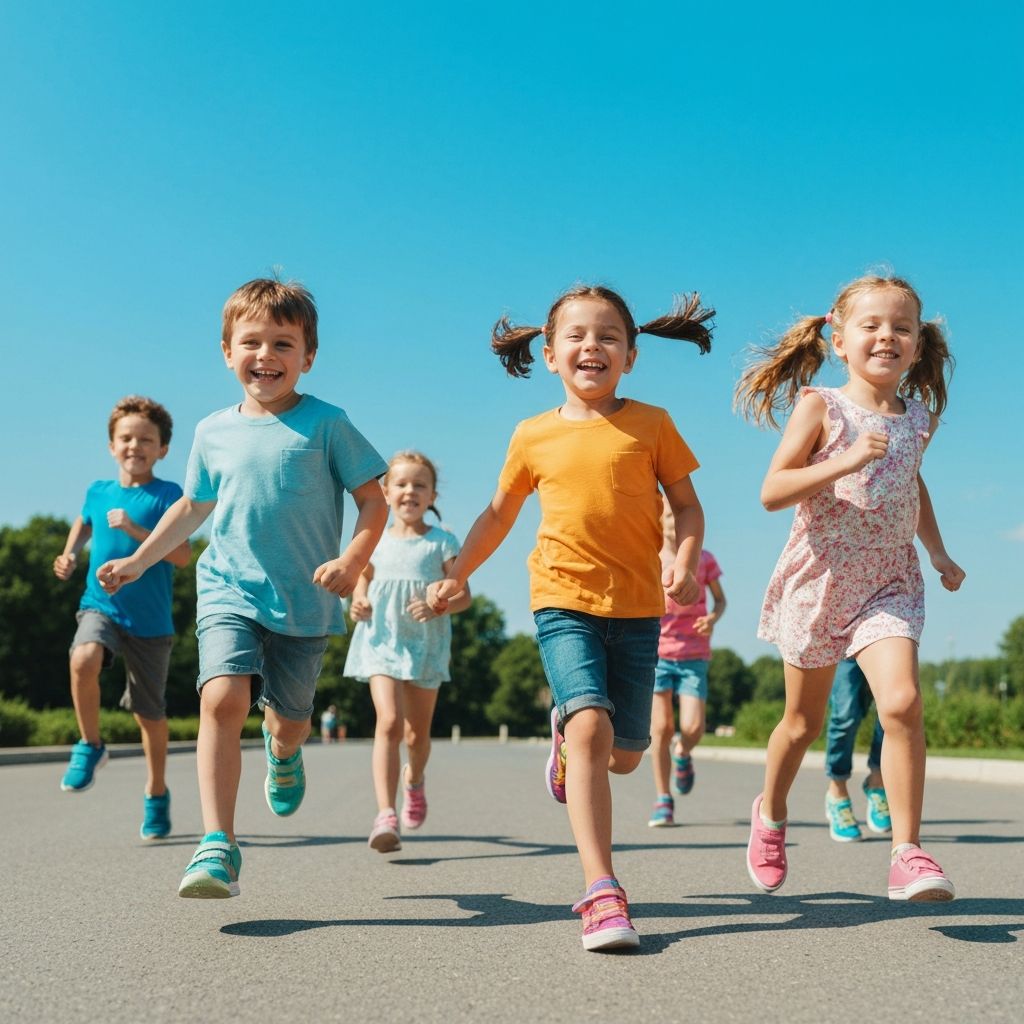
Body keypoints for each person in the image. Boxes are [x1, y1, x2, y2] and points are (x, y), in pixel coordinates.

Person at [428, 284, 713, 951]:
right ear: (550, 353)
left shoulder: (653, 424)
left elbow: (689, 507)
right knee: (592, 726)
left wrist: (688, 558)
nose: (593, 346)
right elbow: (499, 514)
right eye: (577, 336)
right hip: (562, 601)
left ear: (632, 356)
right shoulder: (533, 434)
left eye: (609, 335)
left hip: (641, 610)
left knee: (626, 755)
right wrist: (458, 572)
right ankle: (602, 890)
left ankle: (571, 734)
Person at [96, 277, 389, 899]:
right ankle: (217, 845)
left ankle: (282, 752)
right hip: (227, 586)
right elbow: (191, 509)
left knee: (290, 721)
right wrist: (140, 562)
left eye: (283, 343)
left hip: (306, 599)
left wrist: (352, 560)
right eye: (251, 342)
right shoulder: (211, 432)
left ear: (308, 356)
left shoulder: (329, 424)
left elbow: (372, 499)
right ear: (227, 351)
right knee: (221, 698)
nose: (266, 356)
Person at [734, 272, 965, 902]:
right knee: (802, 723)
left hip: (889, 583)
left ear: (919, 344)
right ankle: (772, 812)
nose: (887, 336)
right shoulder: (821, 406)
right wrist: (846, 459)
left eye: (902, 327)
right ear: (839, 338)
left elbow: (911, 485)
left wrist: (937, 551)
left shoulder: (921, 419)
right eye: (871, 325)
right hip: (820, 582)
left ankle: (907, 852)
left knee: (901, 703)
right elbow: (772, 492)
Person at [52, 396, 191, 840]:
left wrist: (134, 531)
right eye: (126, 438)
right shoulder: (98, 491)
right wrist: (70, 553)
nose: (135, 445)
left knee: (150, 716)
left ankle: (155, 792)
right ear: (112, 446)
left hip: (150, 621)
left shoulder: (169, 496)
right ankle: (90, 745)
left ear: (163, 449)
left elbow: (185, 555)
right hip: (101, 604)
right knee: (83, 657)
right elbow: (85, 522)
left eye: (146, 439)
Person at [344, 451, 471, 852]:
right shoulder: (373, 538)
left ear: (432, 493)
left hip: (426, 644)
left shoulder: (443, 541)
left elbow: (464, 594)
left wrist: (441, 603)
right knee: (390, 722)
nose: (409, 491)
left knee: (417, 735)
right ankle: (386, 813)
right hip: (380, 640)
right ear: (385, 491)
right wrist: (358, 600)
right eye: (401, 484)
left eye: (419, 485)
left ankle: (413, 780)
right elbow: (360, 579)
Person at [648, 499, 726, 827]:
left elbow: (721, 600)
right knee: (661, 728)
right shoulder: (649, 560)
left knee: (692, 728)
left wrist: (712, 618)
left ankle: (683, 753)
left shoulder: (703, 559)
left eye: (674, 516)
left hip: (694, 652)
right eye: (665, 516)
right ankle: (663, 799)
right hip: (657, 654)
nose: (670, 522)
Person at [824, 658, 890, 842]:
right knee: (845, 715)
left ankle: (877, 782)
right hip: (845, 639)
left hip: (885, 632)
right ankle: (837, 791)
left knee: (893, 710)